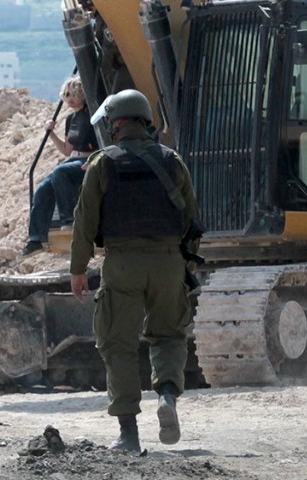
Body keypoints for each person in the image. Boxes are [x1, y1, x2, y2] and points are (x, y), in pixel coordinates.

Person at [70, 89, 199, 453]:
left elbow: (84, 222)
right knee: (170, 335)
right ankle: (168, 398)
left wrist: (78, 269)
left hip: (122, 263)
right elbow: (191, 215)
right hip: (167, 262)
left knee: (118, 344)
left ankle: (128, 435)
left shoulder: (101, 163)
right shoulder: (172, 160)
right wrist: (182, 264)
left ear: (116, 123)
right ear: (144, 120)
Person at [24, 75, 100, 255]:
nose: (70, 99)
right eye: (67, 95)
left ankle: (69, 219)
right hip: (74, 160)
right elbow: (67, 150)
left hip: (88, 161)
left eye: (73, 95)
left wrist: (95, 160)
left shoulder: (93, 116)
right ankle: (36, 238)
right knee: (43, 188)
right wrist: (50, 133)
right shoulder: (71, 119)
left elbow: (104, 142)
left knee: (60, 172)